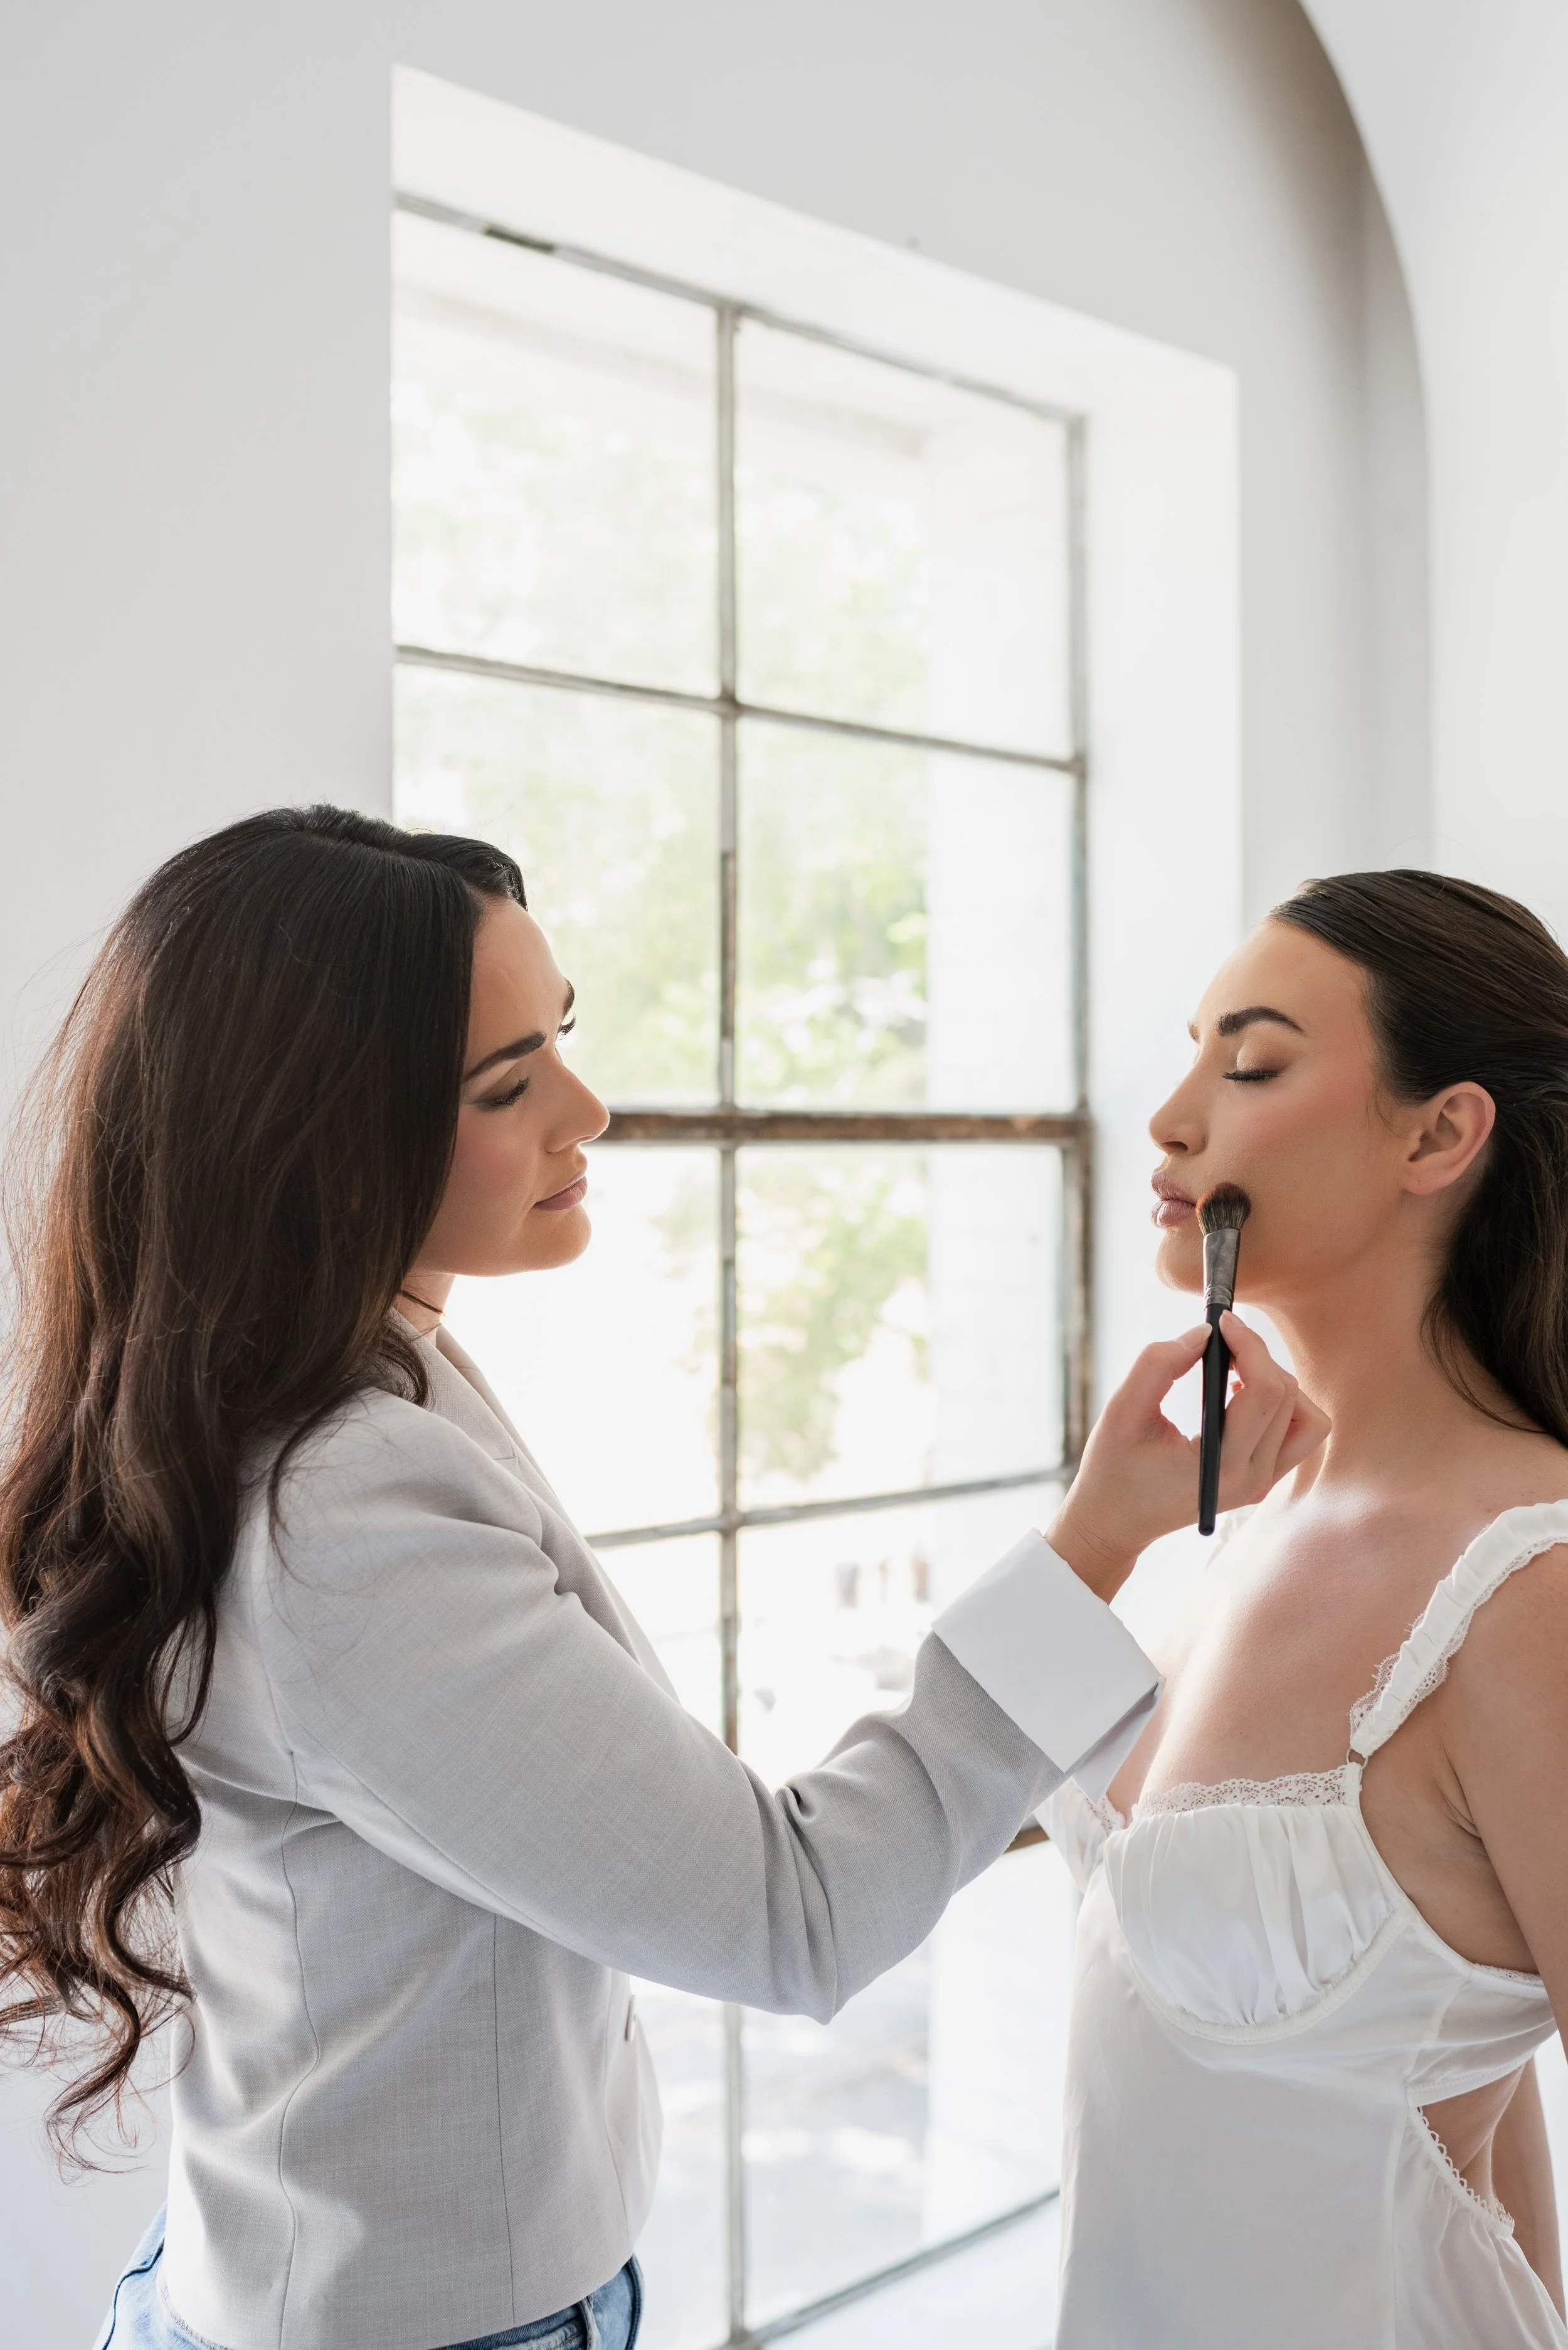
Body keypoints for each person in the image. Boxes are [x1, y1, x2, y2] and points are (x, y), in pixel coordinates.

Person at [0, 808, 1320, 2350]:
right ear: (318, 1141)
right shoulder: (337, 1511)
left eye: (561, 1035)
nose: (589, 1108)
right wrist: (1095, 1543)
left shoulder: (340, 1372)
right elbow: (790, 1911)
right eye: (509, 1084)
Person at [1041, 869, 1568, 2349]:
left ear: (1440, 1132)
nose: (1170, 1117)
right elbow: (1450, 2068)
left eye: (1251, 1062)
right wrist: (1085, 1537)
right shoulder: (1254, 1508)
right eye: (1194, 1048)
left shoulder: (1529, 1586)